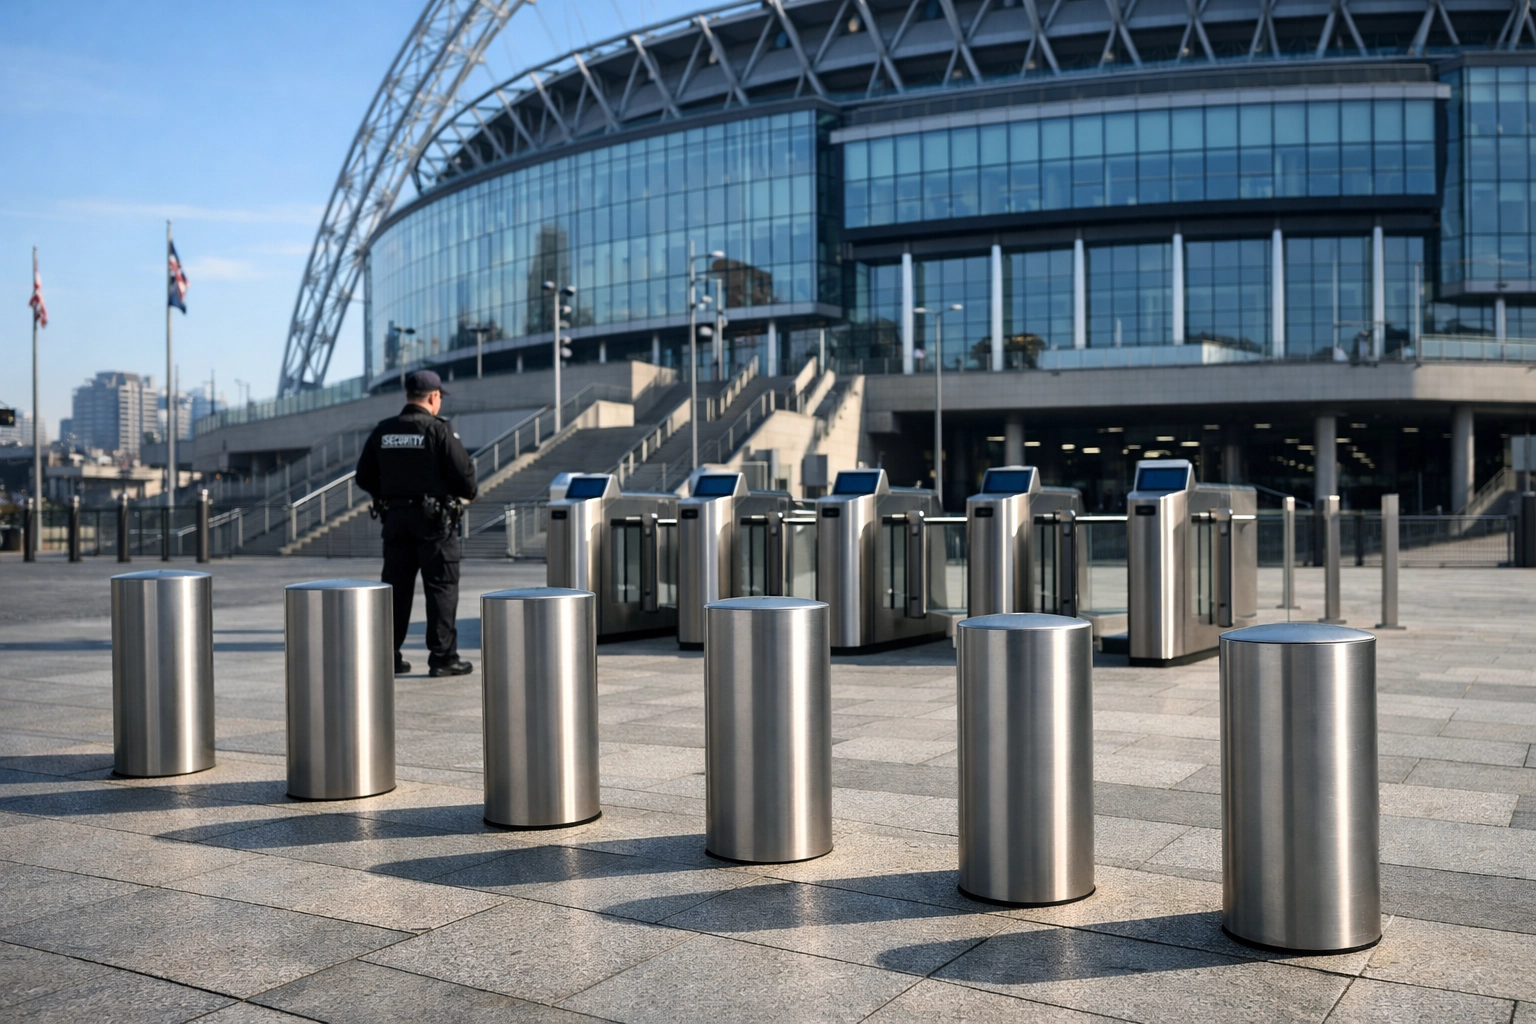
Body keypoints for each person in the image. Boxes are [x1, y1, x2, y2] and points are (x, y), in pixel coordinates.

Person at [355, 369, 477, 677]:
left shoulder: (384, 431)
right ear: (434, 397)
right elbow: (466, 479)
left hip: (396, 520)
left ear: (408, 396)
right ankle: (443, 658)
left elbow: (363, 477)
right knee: (441, 588)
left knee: (394, 589)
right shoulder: (439, 429)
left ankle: (389, 655)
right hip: (435, 524)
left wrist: (391, 495)